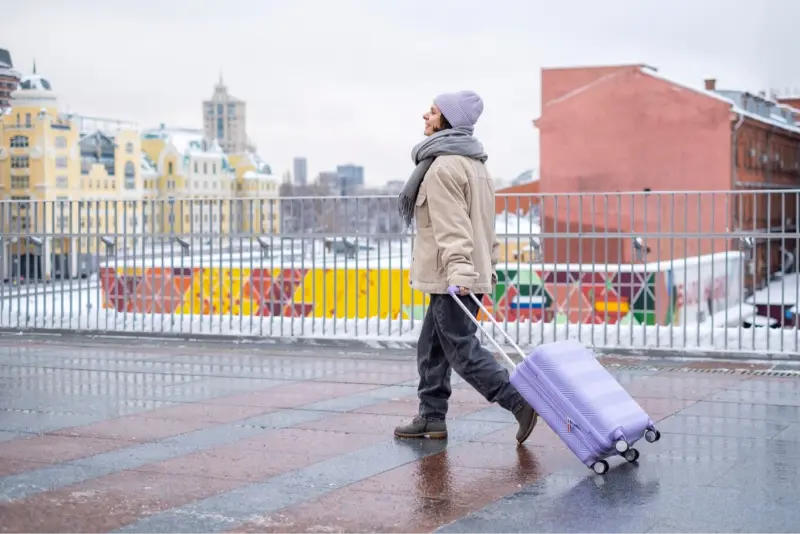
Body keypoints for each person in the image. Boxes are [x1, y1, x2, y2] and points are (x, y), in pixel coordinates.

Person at [394, 90, 538, 444]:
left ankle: (518, 401)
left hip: (454, 277)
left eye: (432, 111)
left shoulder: (442, 168)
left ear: (447, 120)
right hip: (464, 273)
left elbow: (453, 227)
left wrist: (460, 273)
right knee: (432, 349)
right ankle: (431, 418)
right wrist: (484, 267)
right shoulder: (476, 165)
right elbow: (485, 227)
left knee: (461, 350)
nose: (425, 116)